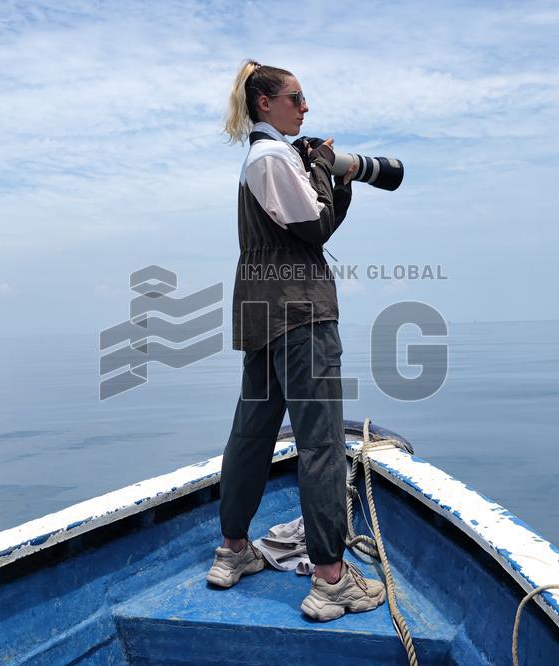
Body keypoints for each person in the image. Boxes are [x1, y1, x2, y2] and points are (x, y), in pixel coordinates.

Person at [206, 59, 386, 622]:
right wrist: (337, 176)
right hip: (299, 309)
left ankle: (233, 551)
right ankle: (332, 579)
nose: (305, 108)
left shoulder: (256, 160)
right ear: (266, 104)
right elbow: (315, 229)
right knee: (321, 442)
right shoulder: (274, 156)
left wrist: (325, 175)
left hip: (260, 310)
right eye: (296, 98)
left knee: (252, 433)